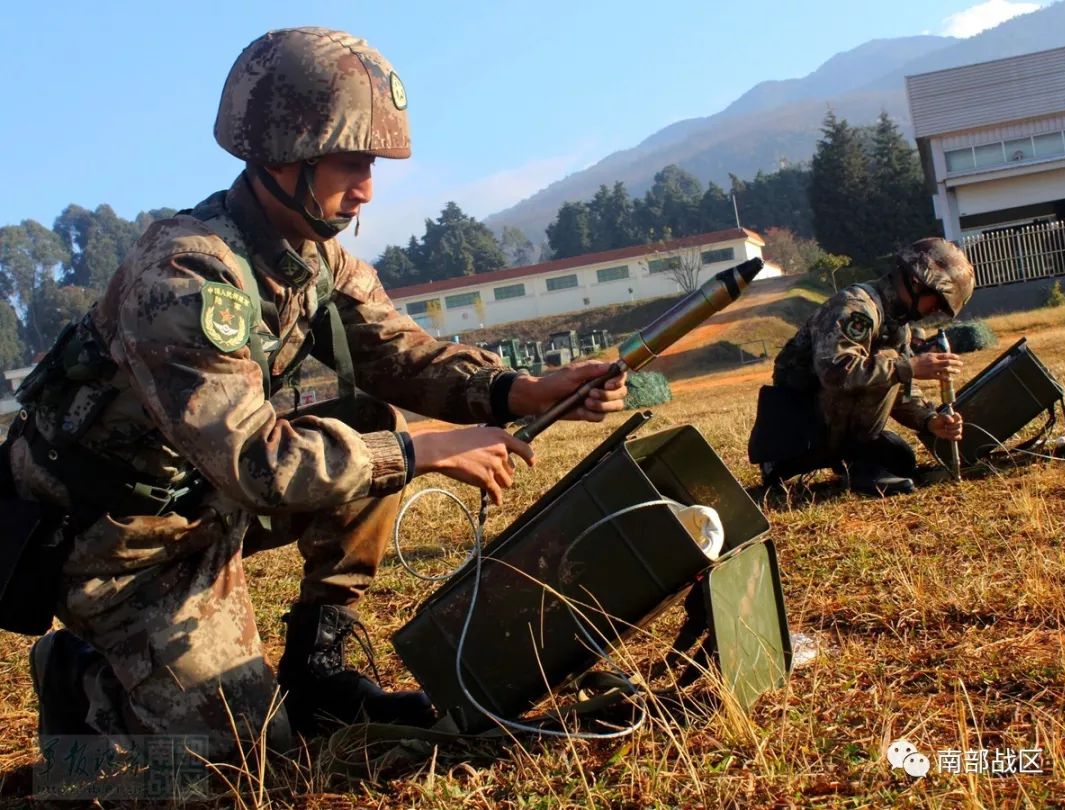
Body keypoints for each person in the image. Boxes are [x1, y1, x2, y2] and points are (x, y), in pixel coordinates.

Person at [5, 27, 626, 759]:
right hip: (116, 543)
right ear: (281, 152)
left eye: (372, 163)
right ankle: (82, 685)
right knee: (238, 764)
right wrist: (421, 451)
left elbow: (401, 353)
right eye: (351, 161)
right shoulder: (184, 277)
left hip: (202, 500)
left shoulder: (312, 257)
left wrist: (518, 389)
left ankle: (317, 671)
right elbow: (259, 466)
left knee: (367, 421)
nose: (366, 187)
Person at [747, 237, 974, 496]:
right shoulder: (857, 307)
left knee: (902, 460)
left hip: (826, 425)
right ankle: (856, 466)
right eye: (937, 302)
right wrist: (908, 367)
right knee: (888, 363)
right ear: (916, 283)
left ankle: (856, 460)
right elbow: (836, 372)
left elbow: (896, 388)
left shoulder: (897, 325)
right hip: (797, 433)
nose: (934, 311)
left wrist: (930, 420)